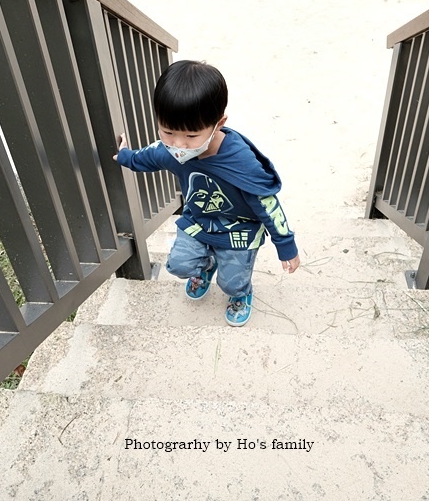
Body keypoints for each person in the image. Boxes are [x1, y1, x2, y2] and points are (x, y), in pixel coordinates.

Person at [113, 60, 300, 327]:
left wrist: (285, 243)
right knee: (178, 265)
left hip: (239, 229)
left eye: (191, 135)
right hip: (198, 220)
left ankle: (241, 293)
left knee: (232, 280)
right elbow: (146, 158)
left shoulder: (240, 161)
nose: (178, 144)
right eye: (168, 131)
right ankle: (205, 266)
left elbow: (267, 202)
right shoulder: (169, 151)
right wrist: (124, 156)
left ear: (218, 123)